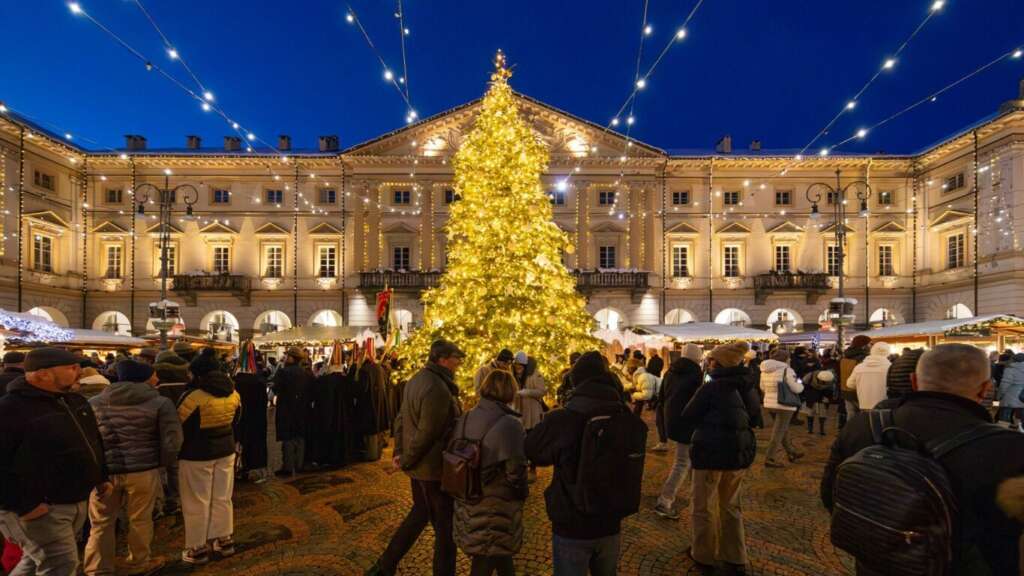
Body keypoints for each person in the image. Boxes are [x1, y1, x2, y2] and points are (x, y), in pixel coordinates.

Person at [822, 344, 1024, 575]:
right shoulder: (1009, 448)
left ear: (914, 381)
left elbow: (831, 494)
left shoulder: (863, 426)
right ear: (985, 389)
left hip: (876, 562)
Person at [0, 347, 111, 575]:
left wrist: (101, 476)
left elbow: (91, 441)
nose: (78, 372)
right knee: (61, 565)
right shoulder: (11, 409)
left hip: (73, 500)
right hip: (41, 506)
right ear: (43, 374)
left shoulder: (74, 401)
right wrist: (25, 505)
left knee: (36, 561)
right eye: (71, 368)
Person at [524, 351, 636, 576]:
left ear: (576, 381)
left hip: (572, 522)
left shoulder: (564, 417)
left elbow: (533, 451)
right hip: (611, 519)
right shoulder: (625, 414)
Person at [366, 340, 465, 576]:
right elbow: (428, 432)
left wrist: (401, 451)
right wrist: (407, 457)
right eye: (455, 358)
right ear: (442, 359)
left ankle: (385, 565)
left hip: (420, 467)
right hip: (432, 469)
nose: (459, 362)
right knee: (445, 531)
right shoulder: (438, 388)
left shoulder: (417, 379)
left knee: (419, 515)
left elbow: (400, 420)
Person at [84, 359, 182, 576]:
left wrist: (96, 467)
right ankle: (139, 562)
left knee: (101, 523)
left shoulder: (95, 402)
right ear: (144, 378)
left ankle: (97, 568)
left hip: (105, 473)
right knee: (140, 519)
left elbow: (89, 440)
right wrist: (163, 464)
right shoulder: (160, 403)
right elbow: (172, 440)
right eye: (153, 374)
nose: (157, 378)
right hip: (143, 470)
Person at [677, 342, 762, 574]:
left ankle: (703, 554)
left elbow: (688, 414)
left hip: (710, 452)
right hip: (739, 454)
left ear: (718, 363)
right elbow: (756, 418)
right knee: (732, 505)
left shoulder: (711, 387)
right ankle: (735, 557)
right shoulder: (748, 386)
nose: (708, 363)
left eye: (711, 360)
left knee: (702, 505)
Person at [453, 370, 528, 576]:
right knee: (486, 558)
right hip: (496, 506)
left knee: (497, 554)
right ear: (509, 391)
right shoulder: (510, 424)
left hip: (469, 497)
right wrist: (522, 493)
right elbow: (516, 470)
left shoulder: (467, 416)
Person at [176, 348, 242, 565]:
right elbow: (237, 420)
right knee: (223, 497)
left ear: (197, 374)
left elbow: (179, 426)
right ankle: (224, 540)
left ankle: (197, 547)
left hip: (197, 454)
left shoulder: (194, 396)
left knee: (197, 500)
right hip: (225, 450)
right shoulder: (233, 393)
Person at [654, 343, 704, 519]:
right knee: (683, 462)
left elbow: (661, 398)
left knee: (690, 460)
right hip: (688, 422)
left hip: (672, 420)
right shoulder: (696, 374)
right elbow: (699, 401)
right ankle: (664, 501)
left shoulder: (670, 372)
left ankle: (697, 498)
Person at [759, 349, 805, 468]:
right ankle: (770, 458)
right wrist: (801, 385)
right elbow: (796, 388)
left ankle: (791, 452)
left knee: (782, 429)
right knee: (778, 432)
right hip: (785, 405)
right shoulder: (787, 370)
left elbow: (762, 387)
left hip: (769, 404)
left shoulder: (764, 370)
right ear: (785, 359)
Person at [272, 347, 313, 476]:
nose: (285, 358)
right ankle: (299, 465)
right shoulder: (307, 373)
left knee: (288, 437)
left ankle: (288, 467)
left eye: (287, 356)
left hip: (287, 409)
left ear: (291, 358)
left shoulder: (283, 372)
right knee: (300, 436)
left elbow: (275, 388)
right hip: (303, 409)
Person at [233, 358, 269, 483]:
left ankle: (241, 468)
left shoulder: (237, 386)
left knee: (241, 443)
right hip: (258, 422)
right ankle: (255, 471)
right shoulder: (259, 384)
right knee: (256, 444)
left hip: (242, 420)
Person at [512, 352, 546, 483]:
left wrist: (527, 392)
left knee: (532, 439)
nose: (518, 369)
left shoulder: (534, 374)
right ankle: (522, 467)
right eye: (516, 366)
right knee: (520, 440)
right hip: (519, 411)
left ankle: (533, 467)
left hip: (532, 411)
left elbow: (542, 391)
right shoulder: (514, 375)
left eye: (520, 366)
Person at [846, 341, 891, 411]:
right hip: (884, 405)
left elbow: (849, 384)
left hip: (864, 404)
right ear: (888, 353)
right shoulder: (890, 367)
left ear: (872, 351)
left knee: (867, 421)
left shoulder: (859, 367)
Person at [839, 335, 872, 427]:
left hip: (845, 390)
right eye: (869, 344)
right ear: (863, 345)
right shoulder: (864, 358)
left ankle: (850, 433)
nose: (871, 346)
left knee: (850, 414)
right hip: (859, 391)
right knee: (864, 416)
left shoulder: (845, 357)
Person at [803, 368, 836, 436]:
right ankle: (810, 429)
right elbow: (804, 385)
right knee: (810, 412)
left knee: (823, 413)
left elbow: (831, 390)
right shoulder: (810, 376)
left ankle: (822, 430)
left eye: (826, 382)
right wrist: (807, 395)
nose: (823, 384)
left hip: (823, 397)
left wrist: (828, 398)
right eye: (822, 381)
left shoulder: (830, 378)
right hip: (811, 395)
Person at [998, 351, 1024, 430]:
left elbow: (1004, 384)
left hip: (1010, 397)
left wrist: (999, 395)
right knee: (1021, 418)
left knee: (1004, 418)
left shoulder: (1010, 369)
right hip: (1022, 398)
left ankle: (1003, 435)